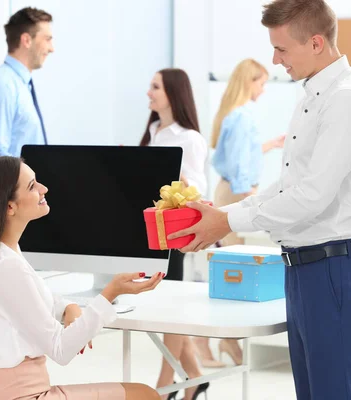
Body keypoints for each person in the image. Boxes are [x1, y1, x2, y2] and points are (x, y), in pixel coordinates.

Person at [168, 1, 351, 399]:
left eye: (282, 49)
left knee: (332, 393)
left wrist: (228, 222)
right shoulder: (314, 95)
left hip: (332, 266)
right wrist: (222, 214)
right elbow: (288, 186)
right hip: (305, 265)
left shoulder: (348, 99)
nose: (274, 59)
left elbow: (311, 196)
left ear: (316, 42)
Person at [0, 156, 164, 400]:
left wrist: (70, 307)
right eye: (32, 186)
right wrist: (110, 293)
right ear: (9, 207)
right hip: (22, 395)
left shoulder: (1, 255)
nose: (44, 189)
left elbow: (40, 298)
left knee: (143, 393)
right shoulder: (7, 267)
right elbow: (61, 349)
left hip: (14, 390)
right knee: (144, 396)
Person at [194, 58, 285, 368]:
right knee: (235, 271)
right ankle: (214, 342)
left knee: (233, 269)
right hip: (237, 193)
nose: (264, 89)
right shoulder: (243, 117)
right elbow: (237, 166)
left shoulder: (234, 115)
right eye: (261, 82)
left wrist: (269, 145)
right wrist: (250, 195)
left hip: (230, 191)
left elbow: (235, 157)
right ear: (250, 82)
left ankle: (228, 343)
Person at [140, 68, 209, 400]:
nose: (149, 92)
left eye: (155, 87)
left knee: (170, 309)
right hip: (151, 230)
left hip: (174, 234)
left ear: (173, 93)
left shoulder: (189, 138)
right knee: (160, 306)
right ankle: (195, 376)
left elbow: (198, 188)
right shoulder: (154, 130)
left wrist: (170, 170)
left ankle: (164, 385)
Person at [0, 7, 53, 159]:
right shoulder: (0, 86)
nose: (51, 48)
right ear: (27, 40)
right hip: (11, 184)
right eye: (47, 39)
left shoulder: (20, 86)